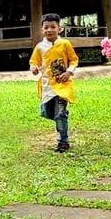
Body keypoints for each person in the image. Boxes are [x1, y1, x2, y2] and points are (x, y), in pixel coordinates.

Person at [29, 13, 79, 153]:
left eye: (53, 27)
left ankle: (63, 141)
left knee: (59, 114)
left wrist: (69, 72)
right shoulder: (39, 47)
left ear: (60, 28)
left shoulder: (65, 44)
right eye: (46, 27)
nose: (49, 30)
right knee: (46, 112)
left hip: (63, 84)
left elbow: (74, 60)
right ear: (42, 29)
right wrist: (34, 68)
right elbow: (34, 62)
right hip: (46, 85)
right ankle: (61, 115)